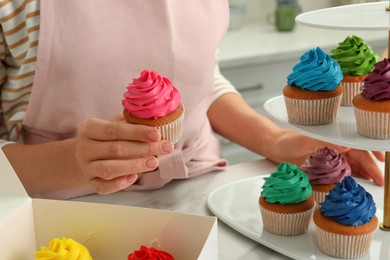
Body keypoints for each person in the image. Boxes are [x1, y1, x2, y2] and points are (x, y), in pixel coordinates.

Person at [0, 1, 384, 199]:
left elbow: (202, 77)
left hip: (204, 192)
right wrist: (74, 162)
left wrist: (276, 140)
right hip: (58, 213)